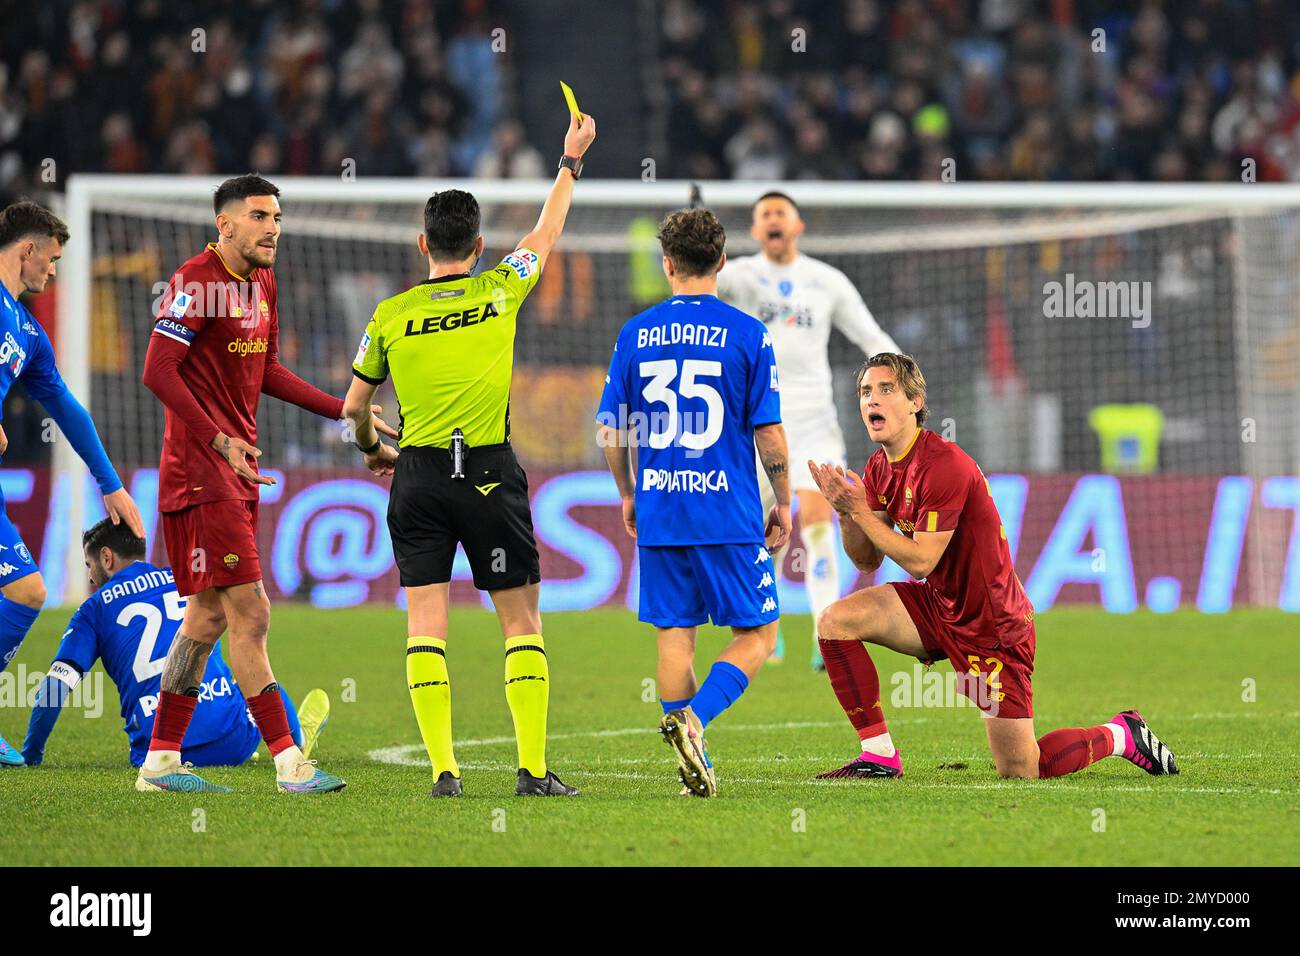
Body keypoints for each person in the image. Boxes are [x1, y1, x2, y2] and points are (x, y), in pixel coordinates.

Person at [343, 110, 596, 798]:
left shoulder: (391, 315)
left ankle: (444, 773)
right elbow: (547, 231)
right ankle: (534, 773)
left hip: (419, 475)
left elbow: (352, 408)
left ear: (422, 243)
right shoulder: (500, 288)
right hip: (486, 473)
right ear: (481, 245)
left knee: (427, 622)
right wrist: (569, 161)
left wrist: (375, 450)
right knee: (521, 622)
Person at [138, 174, 395, 794]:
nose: (272, 227)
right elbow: (157, 367)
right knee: (251, 613)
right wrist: (217, 438)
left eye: (276, 216)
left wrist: (344, 410)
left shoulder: (263, 282)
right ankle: (289, 761)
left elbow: (268, 370)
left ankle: (161, 762)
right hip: (203, 474)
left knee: (206, 618)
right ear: (224, 223)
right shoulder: (196, 282)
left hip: (237, 469)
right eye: (258, 216)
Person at [808, 352, 1179, 780]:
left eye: (886, 389)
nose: (873, 400)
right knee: (836, 622)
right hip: (937, 605)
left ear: (915, 401)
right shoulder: (878, 468)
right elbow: (866, 559)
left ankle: (1121, 735)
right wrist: (845, 512)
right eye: (866, 392)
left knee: (1022, 768)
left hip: (992, 624)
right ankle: (878, 756)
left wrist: (864, 514)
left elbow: (922, 560)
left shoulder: (943, 465)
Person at [597, 207, 791, 798]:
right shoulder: (749, 333)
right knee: (760, 634)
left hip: (660, 508)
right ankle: (695, 722)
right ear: (723, 262)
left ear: (668, 264)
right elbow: (770, 434)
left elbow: (611, 432)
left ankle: (691, 760)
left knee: (675, 636)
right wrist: (781, 499)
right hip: (726, 509)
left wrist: (629, 494)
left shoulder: (635, 333)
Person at [718, 191, 899, 670]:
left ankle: (827, 629)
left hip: (816, 418)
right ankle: (765, 625)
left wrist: (902, 375)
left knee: (820, 517)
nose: (774, 220)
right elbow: (699, 299)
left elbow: (870, 336)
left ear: (797, 225)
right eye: (764, 215)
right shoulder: (735, 277)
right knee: (764, 526)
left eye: (781, 213)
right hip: (756, 419)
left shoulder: (825, 281)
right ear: (756, 231)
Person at [0, 200, 144, 767]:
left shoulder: (28, 333)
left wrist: (110, 484)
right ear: (28, 249)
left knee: (27, 591)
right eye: (53, 259)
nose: (55, 271)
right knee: (28, 590)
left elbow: (65, 408)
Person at [22, 517, 330, 769]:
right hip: (233, 741)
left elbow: (55, 688)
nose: (90, 577)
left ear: (107, 557)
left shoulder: (92, 609)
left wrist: (32, 754)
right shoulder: (185, 581)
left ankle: (182, 750)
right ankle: (298, 739)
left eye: (89, 565)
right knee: (254, 671)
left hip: (157, 752)